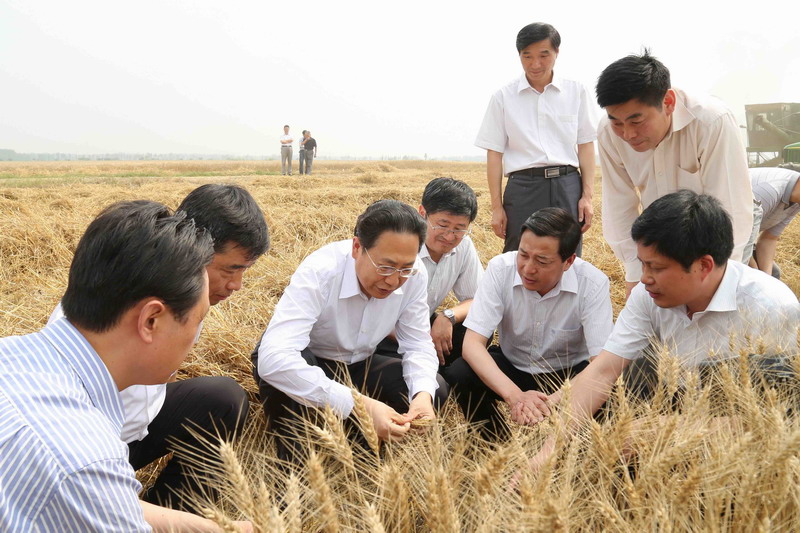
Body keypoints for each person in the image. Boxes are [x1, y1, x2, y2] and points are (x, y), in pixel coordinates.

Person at [0, 201, 252, 531]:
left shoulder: (13, 353)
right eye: (198, 318)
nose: (194, 336)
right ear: (151, 320)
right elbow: (86, 481)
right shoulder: (86, 461)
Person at [526, 191, 799, 466]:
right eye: (642, 264)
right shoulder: (647, 295)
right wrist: (547, 454)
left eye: (655, 267)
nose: (644, 278)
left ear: (704, 265)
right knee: (629, 383)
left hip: (740, 431)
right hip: (677, 396)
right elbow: (603, 370)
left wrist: (671, 432)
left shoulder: (771, 307)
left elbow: (784, 416)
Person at [48, 184, 269, 510]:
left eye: (244, 271)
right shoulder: (112, 317)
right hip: (86, 446)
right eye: (229, 270)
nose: (236, 285)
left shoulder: (183, 292)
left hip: (137, 425)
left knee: (223, 399)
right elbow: (62, 463)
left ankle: (173, 504)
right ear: (195, 247)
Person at [252, 200, 447, 461]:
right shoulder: (321, 270)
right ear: (357, 247)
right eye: (385, 267)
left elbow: (417, 344)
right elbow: (274, 359)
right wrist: (358, 404)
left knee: (435, 388)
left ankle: (363, 448)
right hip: (311, 359)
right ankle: (295, 464)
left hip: (360, 363)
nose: (393, 280)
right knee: (288, 381)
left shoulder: (415, 275)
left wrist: (422, 395)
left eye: (404, 269)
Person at [596, 51, 754, 299]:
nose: (627, 134)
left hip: (712, 237)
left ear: (668, 102)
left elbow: (731, 206)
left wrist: (718, 278)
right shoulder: (608, 133)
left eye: (636, 121)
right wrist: (635, 272)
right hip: (658, 240)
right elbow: (619, 205)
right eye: (617, 122)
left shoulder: (711, 122)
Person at [445, 208, 613, 439]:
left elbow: (601, 363)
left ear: (568, 261)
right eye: (523, 255)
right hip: (513, 365)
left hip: (567, 374)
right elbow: (472, 344)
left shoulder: (593, 283)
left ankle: (573, 446)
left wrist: (550, 402)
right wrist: (515, 396)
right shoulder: (500, 269)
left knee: (605, 389)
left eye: (542, 261)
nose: (528, 268)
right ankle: (496, 443)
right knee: (460, 372)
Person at [475, 22, 596, 253]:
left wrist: (587, 197)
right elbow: (494, 154)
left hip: (567, 185)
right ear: (519, 55)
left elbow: (586, 145)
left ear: (557, 52)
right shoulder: (503, 97)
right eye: (527, 56)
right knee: (518, 254)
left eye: (543, 55)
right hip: (523, 187)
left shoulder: (576, 92)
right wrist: (496, 208)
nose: (535, 64)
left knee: (567, 255)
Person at [376, 177, 484, 368]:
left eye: (459, 229)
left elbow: (478, 298)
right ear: (422, 213)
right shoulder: (400, 243)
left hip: (425, 324)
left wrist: (448, 316)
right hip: (386, 332)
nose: (449, 236)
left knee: (476, 327)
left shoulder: (464, 245)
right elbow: (375, 312)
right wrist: (421, 343)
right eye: (442, 225)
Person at [748, 163, 800, 278]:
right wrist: (756, 275)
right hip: (717, 237)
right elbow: (738, 239)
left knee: (774, 274)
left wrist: (767, 278)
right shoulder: (769, 190)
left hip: (740, 239)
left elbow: (769, 239)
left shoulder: (796, 201)